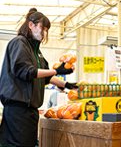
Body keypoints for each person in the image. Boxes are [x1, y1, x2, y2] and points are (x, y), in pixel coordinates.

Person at [0, 8, 78, 147]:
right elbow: (26, 71)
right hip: (17, 111)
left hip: (30, 112)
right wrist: (55, 71)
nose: (45, 33)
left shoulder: (37, 52)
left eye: (47, 30)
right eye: (43, 28)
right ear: (31, 25)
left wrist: (65, 85)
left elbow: (44, 76)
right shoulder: (19, 43)